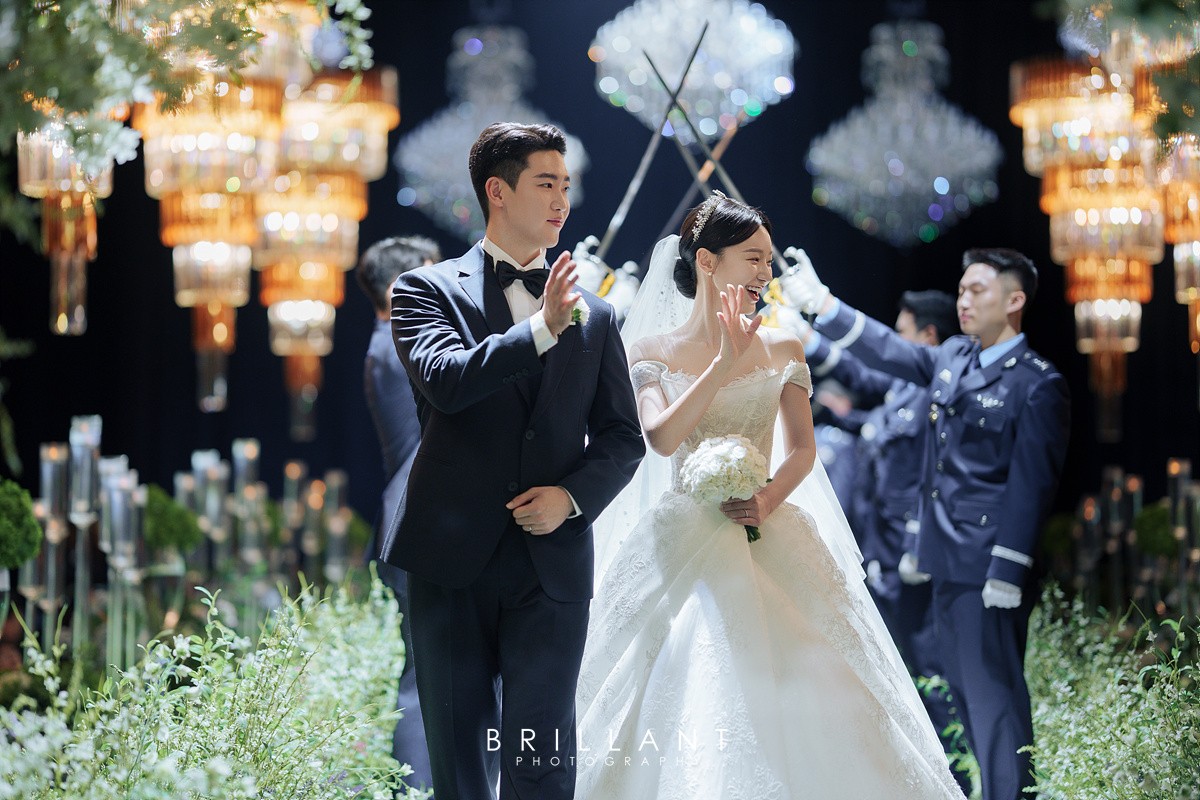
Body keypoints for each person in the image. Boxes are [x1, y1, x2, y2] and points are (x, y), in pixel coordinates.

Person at [575, 191, 966, 799]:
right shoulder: (650, 351)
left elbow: (803, 450)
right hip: (683, 538)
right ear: (708, 262)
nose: (766, 272)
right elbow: (662, 437)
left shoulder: (784, 346)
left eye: (768, 259)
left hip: (768, 526)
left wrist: (767, 501)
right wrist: (722, 361)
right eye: (753, 258)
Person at [381, 122, 645, 800]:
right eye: (545, 184)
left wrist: (572, 497)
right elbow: (446, 381)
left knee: (542, 762)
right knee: (460, 765)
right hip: (450, 560)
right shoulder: (423, 290)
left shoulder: (598, 317)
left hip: (550, 566)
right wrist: (541, 329)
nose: (562, 201)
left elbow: (623, 437)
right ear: (497, 192)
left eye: (567, 186)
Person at [784, 248, 1070, 800]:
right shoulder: (955, 358)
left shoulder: (1036, 383)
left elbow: (1031, 486)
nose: (964, 300)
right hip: (943, 560)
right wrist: (824, 306)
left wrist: (1008, 569)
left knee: (994, 701)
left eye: (978, 290)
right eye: (961, 290)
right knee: (963, 693)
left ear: (1014, 300)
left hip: (986, 567)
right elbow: (889, 349)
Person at [783, 290, 969, 791]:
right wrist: (810, 341)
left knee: (929, 668)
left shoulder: (935, 391)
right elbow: (863, 385)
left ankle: (956, 773)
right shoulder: (903, 388)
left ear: (927, 337)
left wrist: (917, 544)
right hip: (881, 553)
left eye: (902, 333)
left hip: (913, 558)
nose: (895, 343)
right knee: (892, 666)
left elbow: (935, 475)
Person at [356, 233, 442, 791]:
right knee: (424, 675)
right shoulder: (399, 342)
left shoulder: (385, 344)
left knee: (425, 670)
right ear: (399, 288)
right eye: (433, 277)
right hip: (421, 519)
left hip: (408, 517)